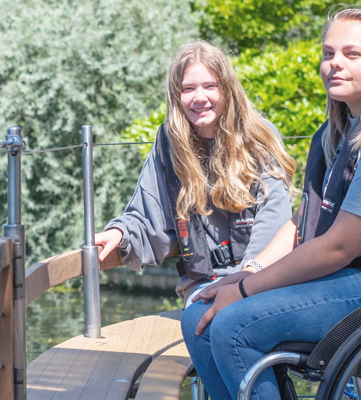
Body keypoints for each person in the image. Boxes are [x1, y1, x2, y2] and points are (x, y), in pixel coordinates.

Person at [180, 8, 361, 399]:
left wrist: (244, 292)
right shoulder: (342, 131)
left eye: (352, 54)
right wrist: (247, 271)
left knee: (232, 324)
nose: (335, 64)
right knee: (198, 316)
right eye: (328, 53)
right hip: (350, 276)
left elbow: (337, 248)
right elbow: (302, 222)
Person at [94, 40, 297, 306]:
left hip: (260, 278)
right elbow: (149, 214)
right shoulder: (169, 144)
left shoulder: (259, 136)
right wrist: (122, 233)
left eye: (210, 86)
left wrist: (245, 279)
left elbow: (275, 217)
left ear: (226, 89)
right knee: (204, 322)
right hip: (202, 286)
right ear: (176, 96)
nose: (199, 97)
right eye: (188, 89)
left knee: (235, 321)